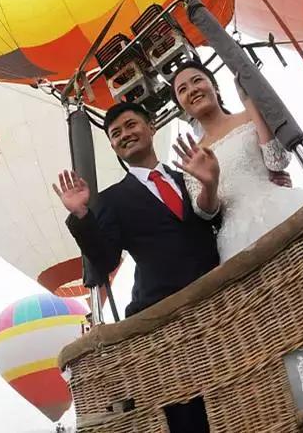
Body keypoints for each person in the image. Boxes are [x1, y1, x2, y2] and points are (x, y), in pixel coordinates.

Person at [55, 100, 221, 433]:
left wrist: (210, 184)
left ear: (151, 127)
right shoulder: (113, 199)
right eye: (115, 134)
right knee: (187, 406)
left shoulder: (188, 173)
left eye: (131, 125)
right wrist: (82, 215)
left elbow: (214, 220)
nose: (124, 135)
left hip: (214, 296)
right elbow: (104, 260)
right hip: (163, 314)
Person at [171, 60, 303, 261]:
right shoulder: (193, 157)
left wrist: (248, 101)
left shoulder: (249, 116)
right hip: (238, 239)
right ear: (182, 107)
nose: (192, 90)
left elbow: (277, 160)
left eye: (197, 81)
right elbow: (205, 212)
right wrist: (210, 183)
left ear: (215, 86)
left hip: (281, 208)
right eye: (183, 90)